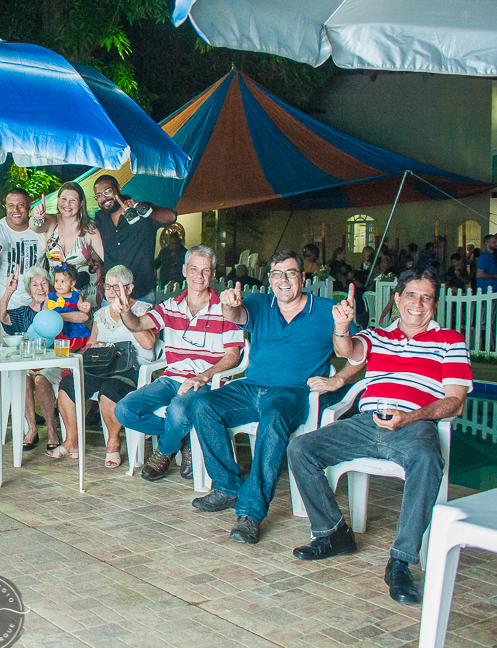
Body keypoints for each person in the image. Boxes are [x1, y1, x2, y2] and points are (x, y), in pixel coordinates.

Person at [288, 269, 471, 605]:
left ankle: (400, 561)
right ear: (397, 299)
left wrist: (412, 416)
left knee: (428, 461)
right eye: (411, 295)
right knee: (301, 447)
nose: (418, 304)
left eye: (426, 297)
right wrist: (342, 326)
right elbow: (348, 351)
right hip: (366, 422)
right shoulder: (378, 336)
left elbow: (456, 402)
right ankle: (333, 533)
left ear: (435, 304)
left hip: (415, 425)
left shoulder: (449, 340)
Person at [190, 249, 360, 545]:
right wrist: (228, 306)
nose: (284, 280)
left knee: (273, 420)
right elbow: (236, 315)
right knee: (203, 404)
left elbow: (353, 354)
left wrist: (338, 376)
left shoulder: (325, 310)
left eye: (291, 273)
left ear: (303, 277)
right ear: (269, 279)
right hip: (252, 386)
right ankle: (228, 487)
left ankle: (250, 513)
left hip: (291, 393)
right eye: (277, 274)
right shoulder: (258, 302)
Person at [113, 245, 244, 480]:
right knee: (124, 409)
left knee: (178, 410)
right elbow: (136, 325)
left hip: (207, 382)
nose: (199, 276)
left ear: (213, 274)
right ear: (184, 270)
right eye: (194, 268)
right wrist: (125, 311)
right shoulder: (170, 306)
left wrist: (202, 376)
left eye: (205, 270)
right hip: (171, 379)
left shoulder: (226, 309)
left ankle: (164, 451)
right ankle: (183, 438)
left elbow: (233, 356)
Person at [52, 265, 155, 468]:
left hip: (133, 368)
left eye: (117, 287)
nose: (111, 292)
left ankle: (113, 444)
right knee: (68, 384)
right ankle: (72, 441)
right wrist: (94, 346)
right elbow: (91, 343)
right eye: (108, 287)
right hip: (104, 366)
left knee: (109, 391)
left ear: (130, 288)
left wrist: (127, 314)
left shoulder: (143, 309)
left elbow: (149, 344)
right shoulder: (101, 314)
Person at [0, 266, 87, 452]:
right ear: (29, 291)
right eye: (35, 285)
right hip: (28, 363)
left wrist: (54, 315)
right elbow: (3, 317)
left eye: (44, 283)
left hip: (54, 363)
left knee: (40, 380)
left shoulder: (61, 303)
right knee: (22, 377)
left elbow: (81, 317)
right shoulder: (23, 312)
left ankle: (51, 430)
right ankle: (31, 429)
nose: (40, 288)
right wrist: (8, 292)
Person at [92, 175, 177, 304]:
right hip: (111, 295)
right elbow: (94, 240)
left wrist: (141, 208)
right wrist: (97, 262)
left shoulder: (141, 212)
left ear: (119, 189)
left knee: (142, 325)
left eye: (107, 191)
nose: (104, 198)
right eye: (98, 195)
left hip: (141, 293)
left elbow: (171, 217)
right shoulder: (99, 218)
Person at [32, 181, 105, 302]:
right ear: (58, 200)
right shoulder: (51, 221)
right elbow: (34, 226)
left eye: (73, 200)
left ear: (81, 203)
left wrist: (101, 266)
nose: (67, 204)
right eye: (64, 199)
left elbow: (107, 258)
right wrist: (37, 217)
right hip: (56, 296)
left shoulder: (89, 229)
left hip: (87, 296)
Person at [0, 188, 47, 310]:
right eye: (11, 205)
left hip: (37, 307)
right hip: (3, 307)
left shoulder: (42, 229)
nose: (15, 210)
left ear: (29, 205)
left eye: (20, 205)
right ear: (5, 207)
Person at [46, 264, 91, 349]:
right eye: (56, 281)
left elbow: (82, 310)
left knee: (75, 350)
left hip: (73, 330)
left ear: (72, 283)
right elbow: (44, 314)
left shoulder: (76, 296)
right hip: (56, 329)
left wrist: (86, 307)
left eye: (63, 281)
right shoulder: (50, 296)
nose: (59, 285)